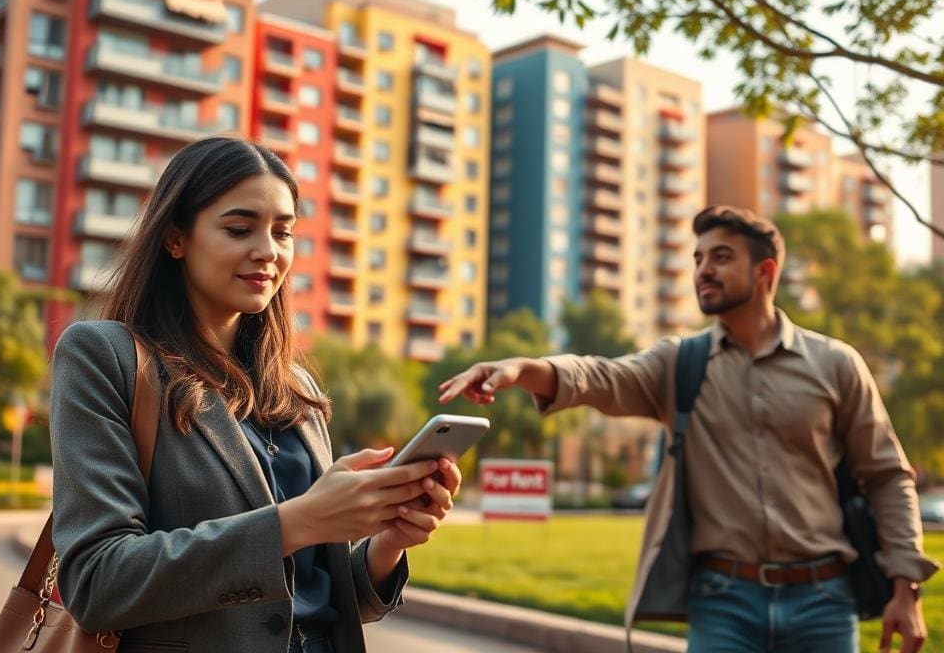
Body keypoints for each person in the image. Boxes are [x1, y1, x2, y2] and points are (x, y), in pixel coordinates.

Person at [438, 205, 937, 653]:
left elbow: (888, 475)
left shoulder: (836, 364)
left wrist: (905, 587)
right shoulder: (681, 362)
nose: (703, 270)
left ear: (765, 272)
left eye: (720, 257)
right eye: (698, 258)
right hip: (723, 604)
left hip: (824, 601)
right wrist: (524, 369)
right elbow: (601, 376)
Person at [50, 137, 461, 653]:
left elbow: (308, 598)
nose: (268, 250)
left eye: (283, 232)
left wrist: (386, 544)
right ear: (176, 238)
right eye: (240, 228)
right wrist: (300, 521)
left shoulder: (297, 388)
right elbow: (97, 583)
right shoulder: (104, 357)